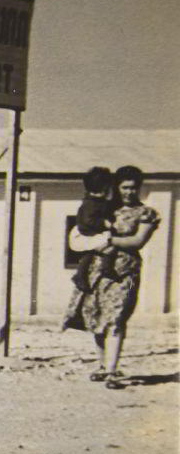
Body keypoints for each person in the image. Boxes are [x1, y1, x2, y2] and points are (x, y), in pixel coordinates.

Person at [62, 164, 161, 389]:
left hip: (124, 271)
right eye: (124, 187)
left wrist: (106, 240)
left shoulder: (145, 213)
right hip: (96, 270)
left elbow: (137, 241)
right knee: (97, 317)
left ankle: (113, 371)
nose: (129, 192)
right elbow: (81, 229)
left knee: (116, 318)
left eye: (133, 188)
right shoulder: (105, 208)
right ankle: (103, 365)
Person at [66, 165, 116, 296]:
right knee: (108, 246)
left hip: (89, 233)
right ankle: (106, 269)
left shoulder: (96, 201)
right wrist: (104, 223)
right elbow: (88, 221)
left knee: (89, 255)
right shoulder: (91, 203)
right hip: (85, 233)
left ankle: (81, 275)